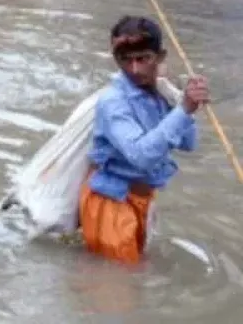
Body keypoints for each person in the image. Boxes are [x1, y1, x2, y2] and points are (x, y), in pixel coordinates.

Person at [81, 16, 209, 264]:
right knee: (116, 290)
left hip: (142, 200)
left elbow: (188, 143)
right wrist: (184, 109)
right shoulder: (113, 101)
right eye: (125, 60)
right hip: (111, 202)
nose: (135, 69)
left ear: (160, 57)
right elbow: (141, 156)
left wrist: (186, 103)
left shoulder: (162, 92)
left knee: (131, 277)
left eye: (143, 58)